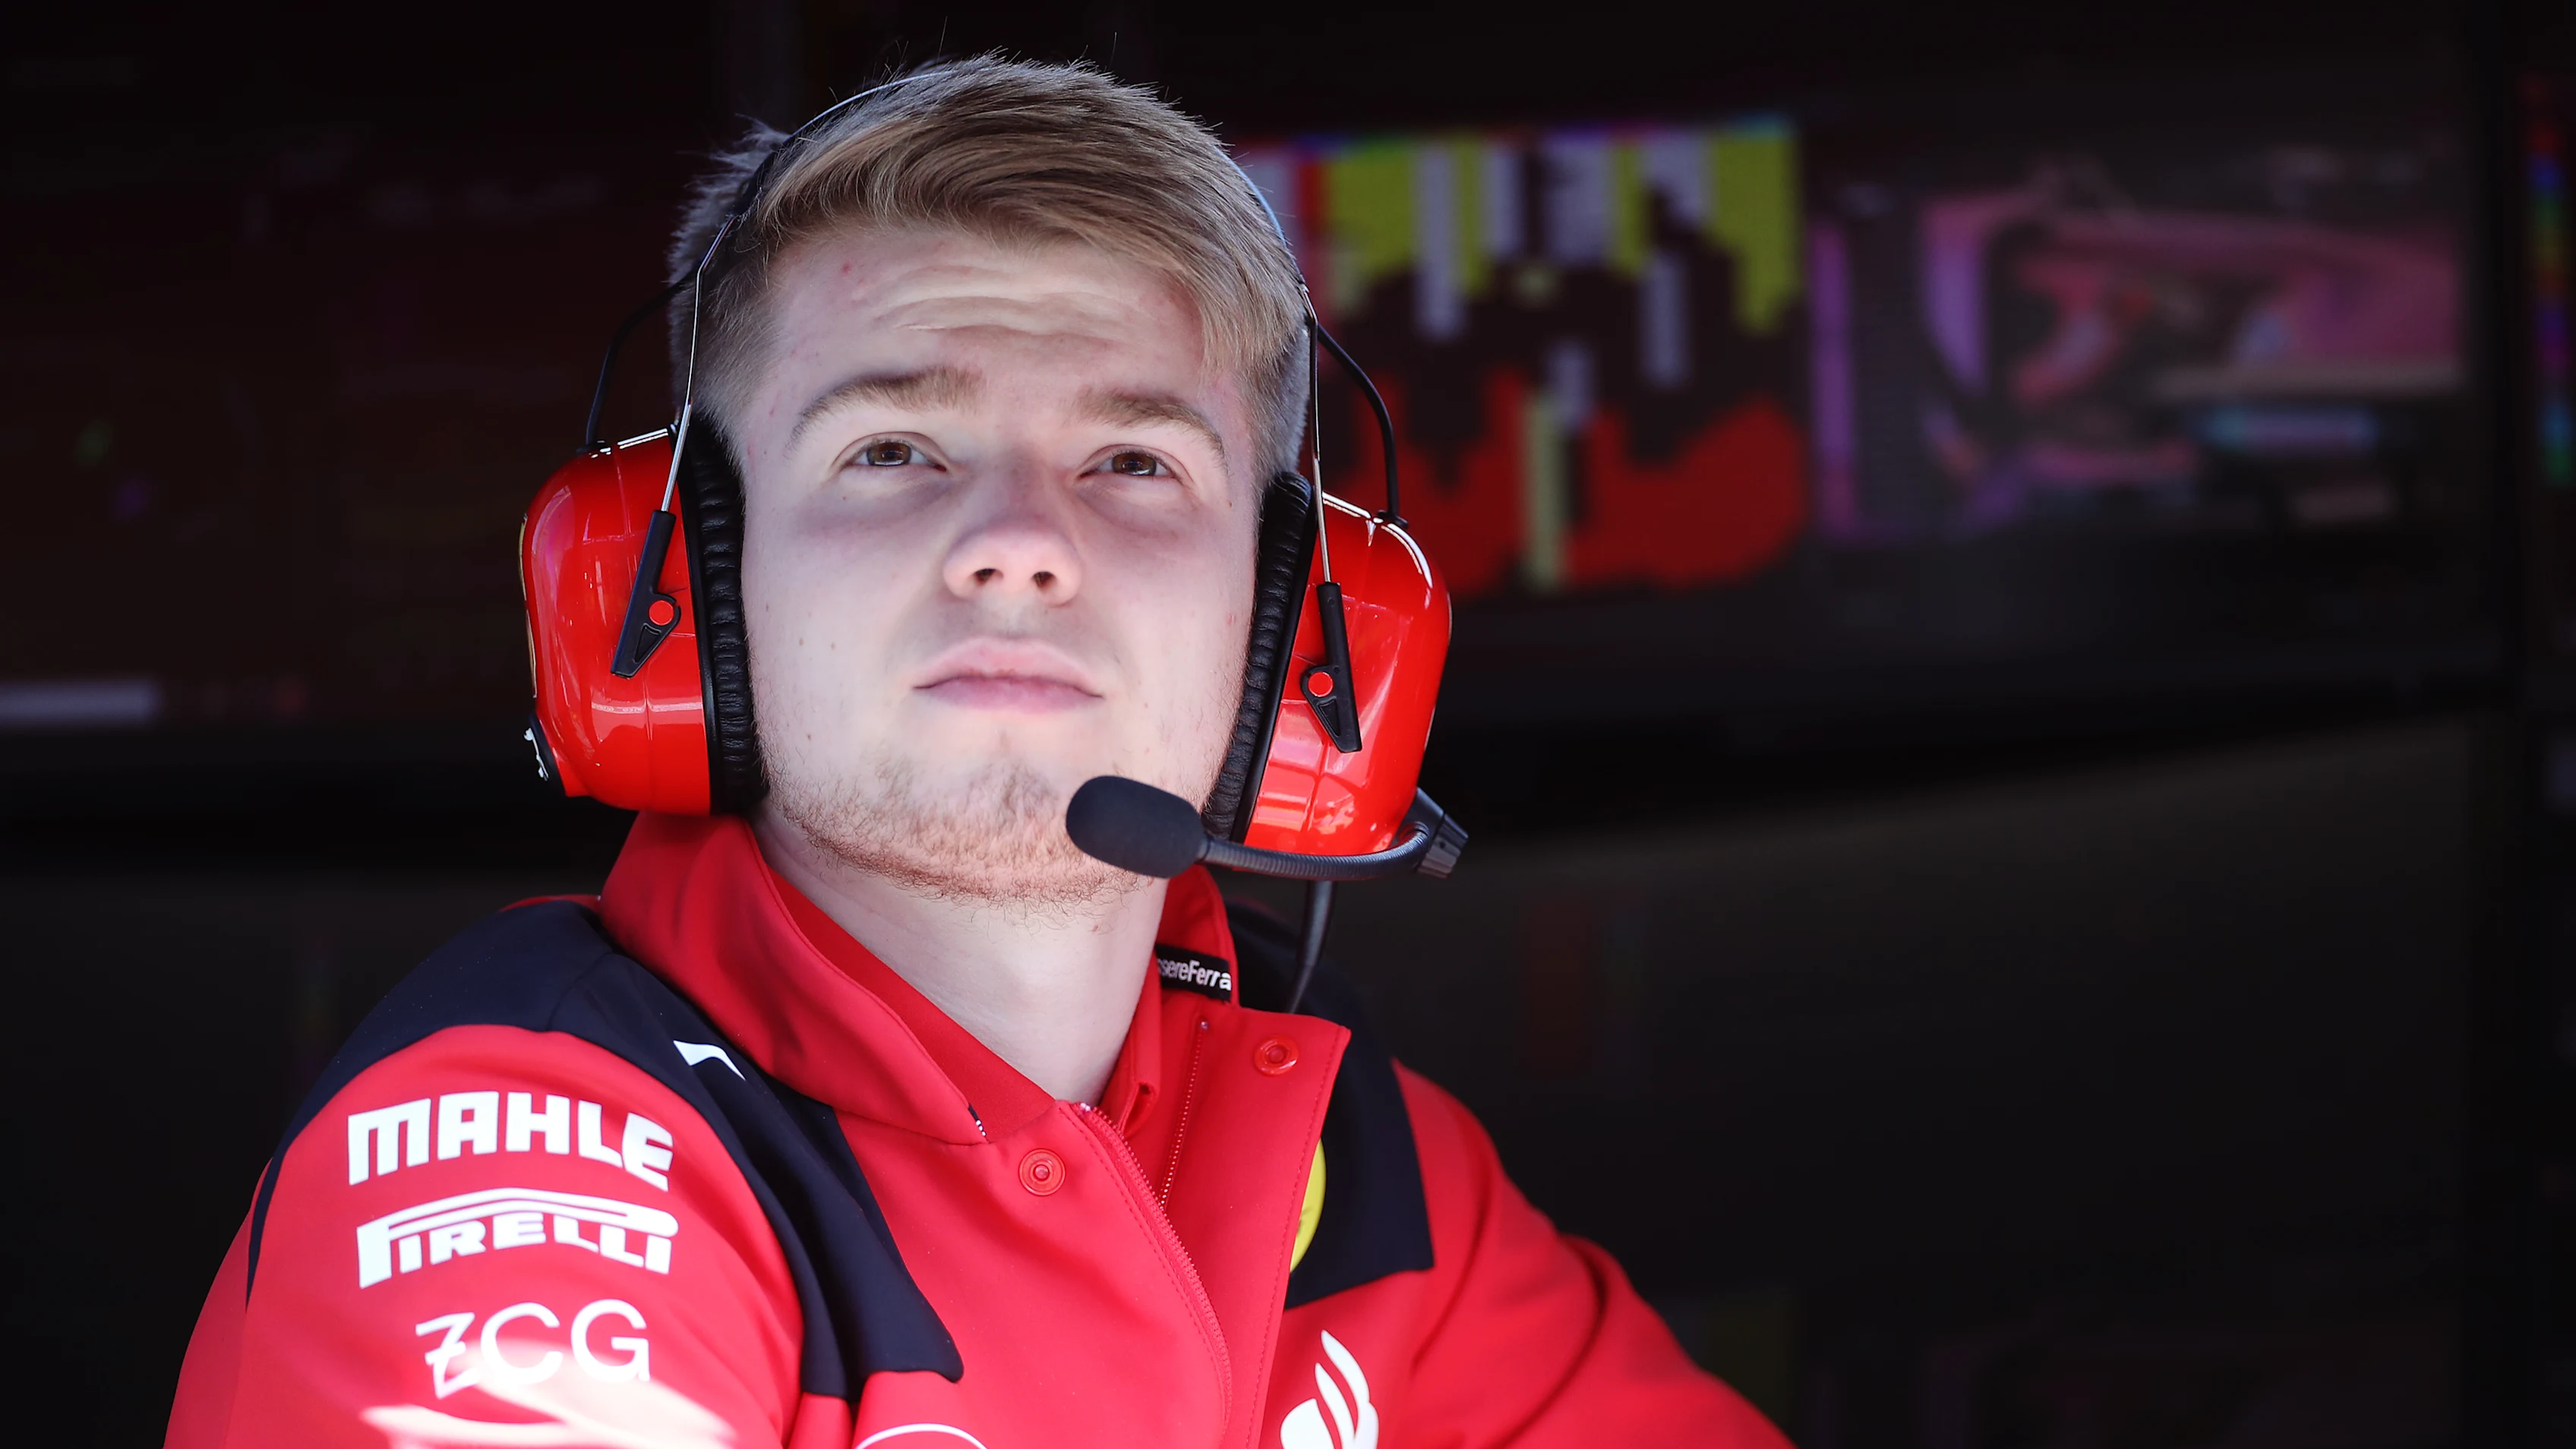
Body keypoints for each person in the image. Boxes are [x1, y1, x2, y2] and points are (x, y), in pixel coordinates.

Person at [165, 57, 1792, 1449]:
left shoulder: (1371, 1191)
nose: (1016, 543)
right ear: (680, 585)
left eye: (1133, 462)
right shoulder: (523, 1156)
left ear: (1303, 629)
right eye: (891, 448)